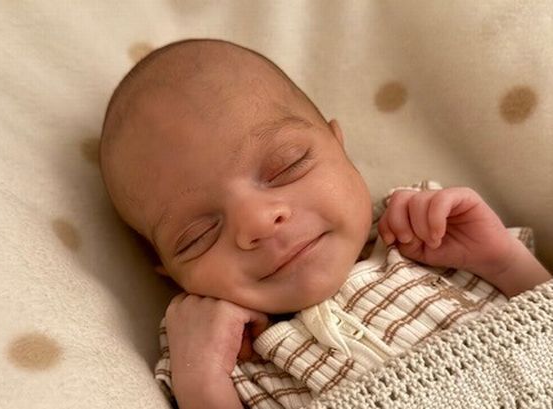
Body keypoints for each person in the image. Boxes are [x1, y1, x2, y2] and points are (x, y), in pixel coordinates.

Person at [98, 38, 551, 409]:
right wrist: (201, 383)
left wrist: (501, 261)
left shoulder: (430, 236)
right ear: (170, 273)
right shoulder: (222, 360)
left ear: (339, 146)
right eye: (197, 235)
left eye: (286, 165)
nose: (259, 221)